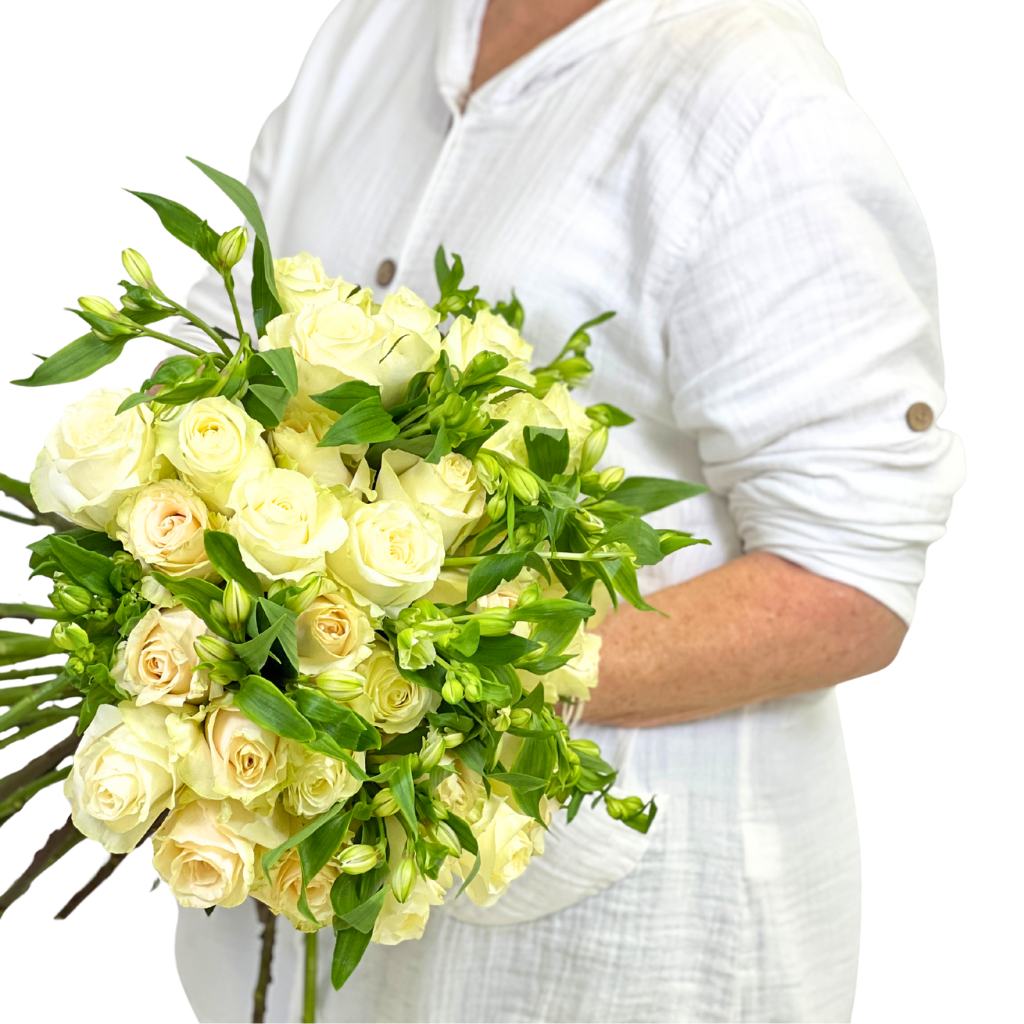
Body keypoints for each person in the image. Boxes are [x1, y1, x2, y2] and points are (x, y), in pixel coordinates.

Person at [174, 1, 965, 1020]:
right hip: (312, 937)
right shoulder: (377, 29)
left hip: (615, 951)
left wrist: (424, 671)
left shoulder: (753, 99)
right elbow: (218, 354)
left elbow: (847, 586)